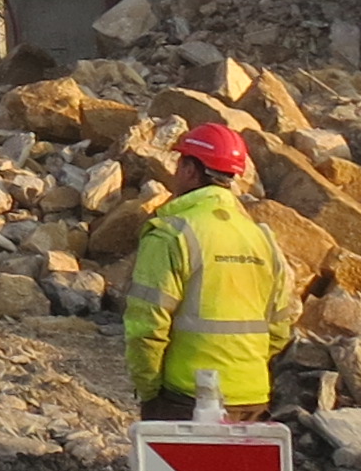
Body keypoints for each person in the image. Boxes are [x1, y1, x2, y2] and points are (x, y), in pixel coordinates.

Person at [121, 121, 297, 421]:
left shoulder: (171, 234)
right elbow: (281, 325)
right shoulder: (260, 237)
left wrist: (149, 388)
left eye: (180, 163)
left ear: (190, 170)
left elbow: (147, 325)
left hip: (185, 398)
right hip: (252, 399)